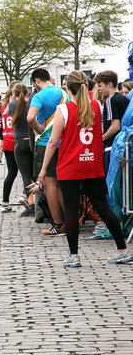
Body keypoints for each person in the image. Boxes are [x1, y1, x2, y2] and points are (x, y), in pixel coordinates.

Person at [38, 70, 133, 267]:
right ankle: (122, 250)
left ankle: (74, 256)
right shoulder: (96, 105)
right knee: (103, 207)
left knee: (71, 210)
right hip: (92, 164)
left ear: (68, 87)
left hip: (70, 165)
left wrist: (44, 168)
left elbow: (53, 141)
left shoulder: (63, 110)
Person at [27, 68, 67, 236]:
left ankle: (58, 224)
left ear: (36, 81)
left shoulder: (39, 96)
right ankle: (71, 221)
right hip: (63, 142)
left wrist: (39, 128)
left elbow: (30, 118)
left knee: (50, 185)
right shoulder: (64, 93)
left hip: (45, 143)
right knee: (62, 185)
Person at [94, 71, 129, 174]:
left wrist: (101, 139)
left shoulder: (110, 100)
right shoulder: (124, 99)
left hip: (112, 146)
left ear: (110, 84)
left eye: (100, 85)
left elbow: (115, 126)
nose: (98, 89)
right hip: (123, 145)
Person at [8, 82, 35, 217]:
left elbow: (6, 111)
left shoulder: (12, 105)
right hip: (32, 142)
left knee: (26, 176)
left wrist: (12, 97)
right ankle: (40, 203)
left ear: (14, 94)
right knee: (35, 174)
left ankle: (31, 204)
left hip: (19, 144)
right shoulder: (31, 103)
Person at [0, 85, 18, 213]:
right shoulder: (17, 105)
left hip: (7, 143)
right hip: (17, 141)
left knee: (11, 172)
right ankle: (28, 198)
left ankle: (5, 202)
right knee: (27, 173)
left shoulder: (3, 106)